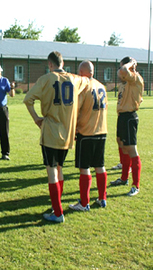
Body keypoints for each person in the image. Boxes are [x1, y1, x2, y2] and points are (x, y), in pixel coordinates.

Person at [23, 51, 90, 223]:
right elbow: (88, 80)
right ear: (63, 63)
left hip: (51, 131)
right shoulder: (75, 79)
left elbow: (28, 99)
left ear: (50, 64)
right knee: (60, 169)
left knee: (52, 171)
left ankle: (58, 213)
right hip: (67, 133)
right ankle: (56, 206)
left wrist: (36, 118)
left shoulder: (46, 79)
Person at [68, 61, 108, 211]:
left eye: (79, 72)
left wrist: (74, 128)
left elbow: (76, 110)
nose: (78, 75)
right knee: (100, 165)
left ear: (84, 72)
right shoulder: (101, 85)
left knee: (84, 168)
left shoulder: (83, 86)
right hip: (102, 131)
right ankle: (102, 198)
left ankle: (84, 203)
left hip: (86, 132)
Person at [110, 56, 144, 196]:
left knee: (131, 149)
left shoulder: (135, 78)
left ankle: (136, 186)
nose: (120, 70)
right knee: (122, 145)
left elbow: (124, 70)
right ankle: (124, 178)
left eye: (121, 67)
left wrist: (131, 64)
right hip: (122, 117)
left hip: (130, 117)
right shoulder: (124, 82)